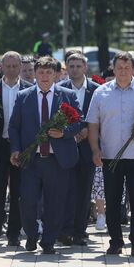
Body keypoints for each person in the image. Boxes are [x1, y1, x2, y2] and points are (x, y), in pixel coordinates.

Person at [87, 52, 134, 256]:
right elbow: (93, 125)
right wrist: (95, 150)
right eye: (119, 68)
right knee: (112, 202)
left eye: (126, 68)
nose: (122, 71)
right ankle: (116, 242)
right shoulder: (101, 93)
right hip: (111, 156)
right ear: (114, 68)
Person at [9, 56, 82, 254]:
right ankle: (31, 236)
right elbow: (14, 126)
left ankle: (48, 241)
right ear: (35, 73)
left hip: (57, 160)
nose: (44, 76)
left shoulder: (67, 95)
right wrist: (15, 149)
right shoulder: (23, 96)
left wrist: (64, 132)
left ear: (56, 74)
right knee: (28, 202)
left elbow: (79, 122)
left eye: (49, 72)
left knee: (55, 204)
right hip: (31, 160)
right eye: (40, 72)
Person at [0, 51, 33, 246]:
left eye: (16, 66)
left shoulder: (30, 89)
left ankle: (14, 232)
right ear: (1, 67)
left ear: (21, 67)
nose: (12, 69)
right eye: (8, 66)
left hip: (20, 146)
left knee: (18, 190)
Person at [59, 53, 99, 246]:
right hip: (65, 145)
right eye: (71, 66)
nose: (74, 69)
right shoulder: (60, 89)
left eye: (78, 66)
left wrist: (86, 130)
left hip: (88, 147)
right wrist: (72, 132)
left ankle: (80, 231)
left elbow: (99, 117)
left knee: (84, 191)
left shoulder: (96, 90)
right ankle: (65, 231)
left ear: (85, 68)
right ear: (66, 68)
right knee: (65, 189)